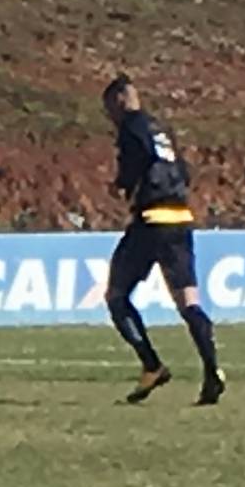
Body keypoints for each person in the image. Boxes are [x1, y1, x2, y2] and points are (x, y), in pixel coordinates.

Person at [100, 75, 224, 405]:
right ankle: (213, 371)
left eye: (109, 108)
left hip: (151, 221)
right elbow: (183, 171)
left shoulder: (131, 127)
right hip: (180, 219)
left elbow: (133, 168)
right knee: (189, 303)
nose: (110, 116)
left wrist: (122, 185)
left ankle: (151, 366)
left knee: (116, 296)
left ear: (120, 101)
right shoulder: (161, 129)